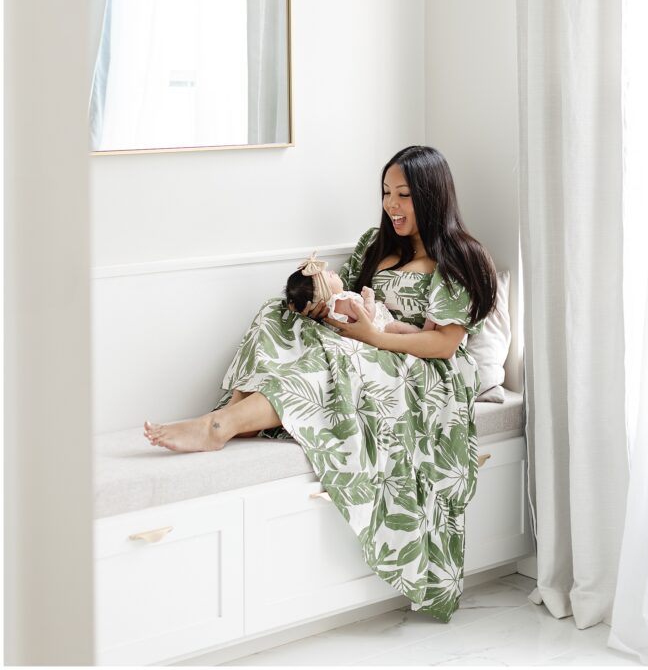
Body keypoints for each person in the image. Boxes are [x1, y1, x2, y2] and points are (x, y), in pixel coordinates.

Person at [144, 145, 497, 621]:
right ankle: (236, 409)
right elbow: (343, 296)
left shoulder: (458, 257)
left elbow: (445, 345)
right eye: (386, 193)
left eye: (404, 195)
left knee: (336, 357)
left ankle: (219, 426)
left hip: (419, 366)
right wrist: (319, 301)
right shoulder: (375, 244)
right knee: (276, 313)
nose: (391, 205)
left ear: (432, 196)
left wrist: (372, 335)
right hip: (362, 340)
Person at [285, 254, 424, 334]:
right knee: (398, 327)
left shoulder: (333, 307)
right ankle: (422, 334)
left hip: (371, 330)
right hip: (379, 329)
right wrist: (370, 298)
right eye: (329, 275)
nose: (333, 272)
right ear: (324, 290)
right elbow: (367, 317)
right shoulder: (342, 302)